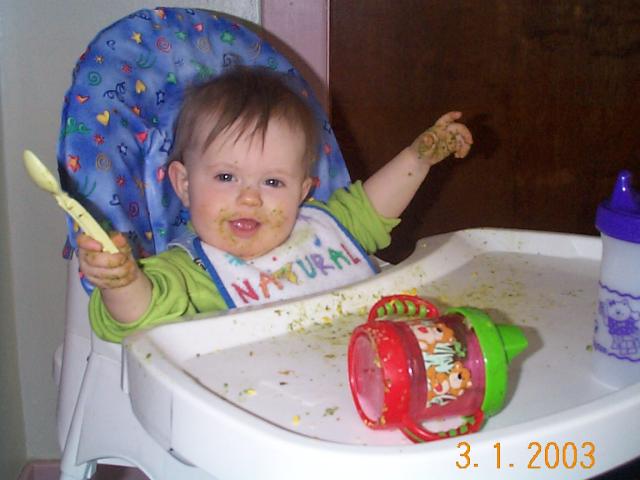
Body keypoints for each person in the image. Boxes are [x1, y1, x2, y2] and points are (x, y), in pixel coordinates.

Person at [78, 67, 472, 342]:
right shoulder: (189, 274)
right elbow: (139, 318)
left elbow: (371, 208)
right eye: (226, 177)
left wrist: (418, 158)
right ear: (184, 184)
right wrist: (123, 282)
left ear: (302, 192)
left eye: (272, 182)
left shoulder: (322, 231)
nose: (250, 198)